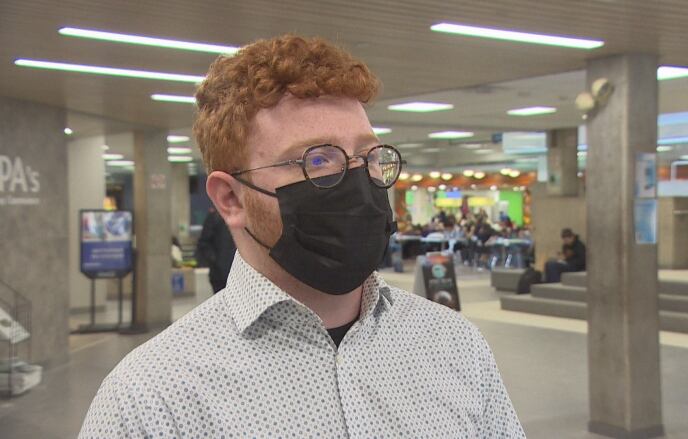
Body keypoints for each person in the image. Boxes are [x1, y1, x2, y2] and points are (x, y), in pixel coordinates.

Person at [79, 35, 524, 438]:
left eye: (369, 156)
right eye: (319, 160)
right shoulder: (150, 399)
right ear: (230, 199)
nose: (357, 180)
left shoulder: (454, 345)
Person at [195, 207, 237, 293]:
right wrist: (215, 261)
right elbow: (204, 243)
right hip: (219, 275)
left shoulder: (244, 216)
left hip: (238, 274)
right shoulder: (215, 216)